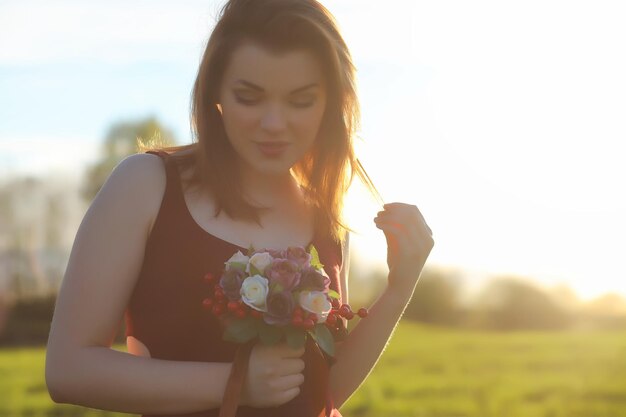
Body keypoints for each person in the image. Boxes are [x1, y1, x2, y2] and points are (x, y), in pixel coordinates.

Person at [45, 0, 434, 416]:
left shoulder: (327, 218)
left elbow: (324, 393)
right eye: (249, 97)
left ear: (330, 104)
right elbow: (69, 369)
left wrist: (398, 290)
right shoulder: (145, 185)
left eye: (300, 101)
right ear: (215, 93)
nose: (273, 123)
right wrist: (235, 384)